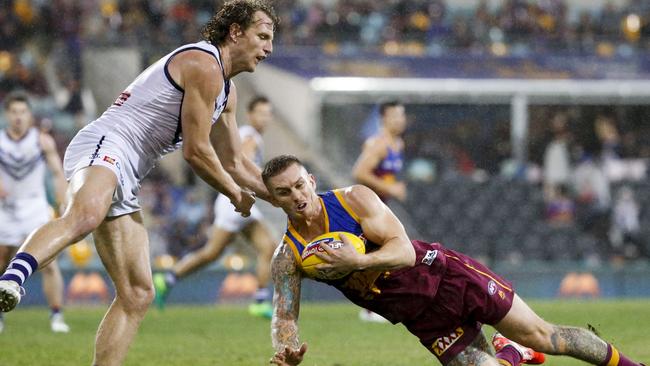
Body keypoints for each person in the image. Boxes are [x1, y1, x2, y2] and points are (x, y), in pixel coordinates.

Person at [0, 1, 277, 365]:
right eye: (262, 36)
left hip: (128, 170)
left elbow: (237, 162)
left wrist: (291, 198)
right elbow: (196, 152)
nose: (269, 48)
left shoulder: (227, 92)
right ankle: (11, 278)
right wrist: (233, 192)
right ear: (236, 32)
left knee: (137, 293)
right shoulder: (203, 63)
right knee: (86, 214)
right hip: (108, 142)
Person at [262, 154, 642, 366]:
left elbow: (405, 251)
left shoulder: (353, 200)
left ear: (311, 179)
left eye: (300, 185)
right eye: (284, 192)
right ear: (274, 199)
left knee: (547, 336)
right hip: (421, 317)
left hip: (447, 276)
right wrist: (288, 349)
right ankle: (512, 351)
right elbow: (284, 316)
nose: (296, 196)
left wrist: (357, 262)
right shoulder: (289, 257)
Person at [153, 96, 277, 318]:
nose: (265, 118)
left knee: (221, 252)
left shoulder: (250, 135)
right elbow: (242, 165)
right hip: (237, 200)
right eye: (261, 113)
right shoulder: (250, 136)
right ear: (250, 115)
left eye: (268, 114)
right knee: (258, 248)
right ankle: (259, 300)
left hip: (235, 198)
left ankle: (169, 278)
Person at [0, 92, 70, 333]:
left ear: (29, 115)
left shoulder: (42, 141)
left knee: (48, 261)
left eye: (23, 112)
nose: (18, 117)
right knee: (2, 260)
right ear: (7, 115)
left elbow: (57, 173)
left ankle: (56, 316)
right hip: (5, 210)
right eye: (14, 112)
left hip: (35, 207)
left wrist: (63, 202)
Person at [352, 100, 407, 322]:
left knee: (383, 251)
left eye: (402, 116)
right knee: (383, 251)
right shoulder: (378, 143)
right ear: (383, 118)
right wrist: (390, 187)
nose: (399, 120)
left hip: (382, 206)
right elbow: (359, 172)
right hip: (367, 207)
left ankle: (375, 304)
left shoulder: (398, 143)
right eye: (394, 116)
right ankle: (370, 308)